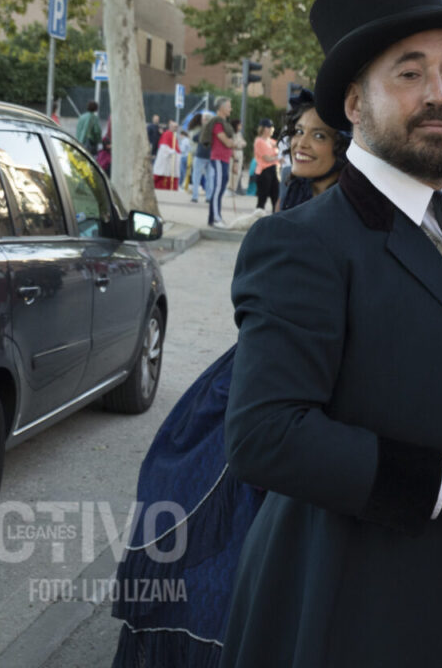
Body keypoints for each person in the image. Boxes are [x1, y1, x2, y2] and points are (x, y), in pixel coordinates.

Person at [220, 0, 442, 668]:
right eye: (409, 72)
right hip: (356, 622)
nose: (438, 92)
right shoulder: (303, 241)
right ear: (353, 104)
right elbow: (263, 436)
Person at [111, 93, 353, 668]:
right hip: (247, 373)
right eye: (300, 132)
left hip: (310, 391)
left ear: (344, 149)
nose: (302, 142)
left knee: (256, 544)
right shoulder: (291, 205)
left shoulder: (349, 218)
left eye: (319, 136)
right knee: (171, 486)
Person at [203, 98, 236, 227]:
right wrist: (236, 143)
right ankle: (216, 219)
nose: (230, 109)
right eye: (229, 106)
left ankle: (213, 218)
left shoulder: (224, 123)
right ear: (221, 108)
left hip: (225, 159)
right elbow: (227, 142)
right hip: (218, 159)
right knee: (217, 189)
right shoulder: (217, 123)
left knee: (220, 189)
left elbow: (230, 143)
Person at [253, 118, 280, 212]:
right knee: (262, 197)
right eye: (269, 127)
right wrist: (278, 158)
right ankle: (258, 218)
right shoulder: (259, 141)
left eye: (272, 127)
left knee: (275, 197)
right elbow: (266, 158)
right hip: (264, 171)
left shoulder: (272, 141)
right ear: (263, 128)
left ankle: (275, 218)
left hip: (274, 170)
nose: (271, 129)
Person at [152, 120, 182, 190]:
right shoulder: (167, 134)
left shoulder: (173, 135)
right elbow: (163, 147)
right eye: (175, 127)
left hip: (172, 160)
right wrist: (171, 151)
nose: (176, 128)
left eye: (177, 127)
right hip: (166, 161)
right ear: (170, 127)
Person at [191, 112, 212, 204]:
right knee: (210, 177)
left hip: (200, 155)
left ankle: (195, 196)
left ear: (205, 120)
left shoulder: (203, 129)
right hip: (211, 156)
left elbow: (194, 138)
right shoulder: (214, 130)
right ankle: (209, 197)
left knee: (196, 176)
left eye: (203, 118)